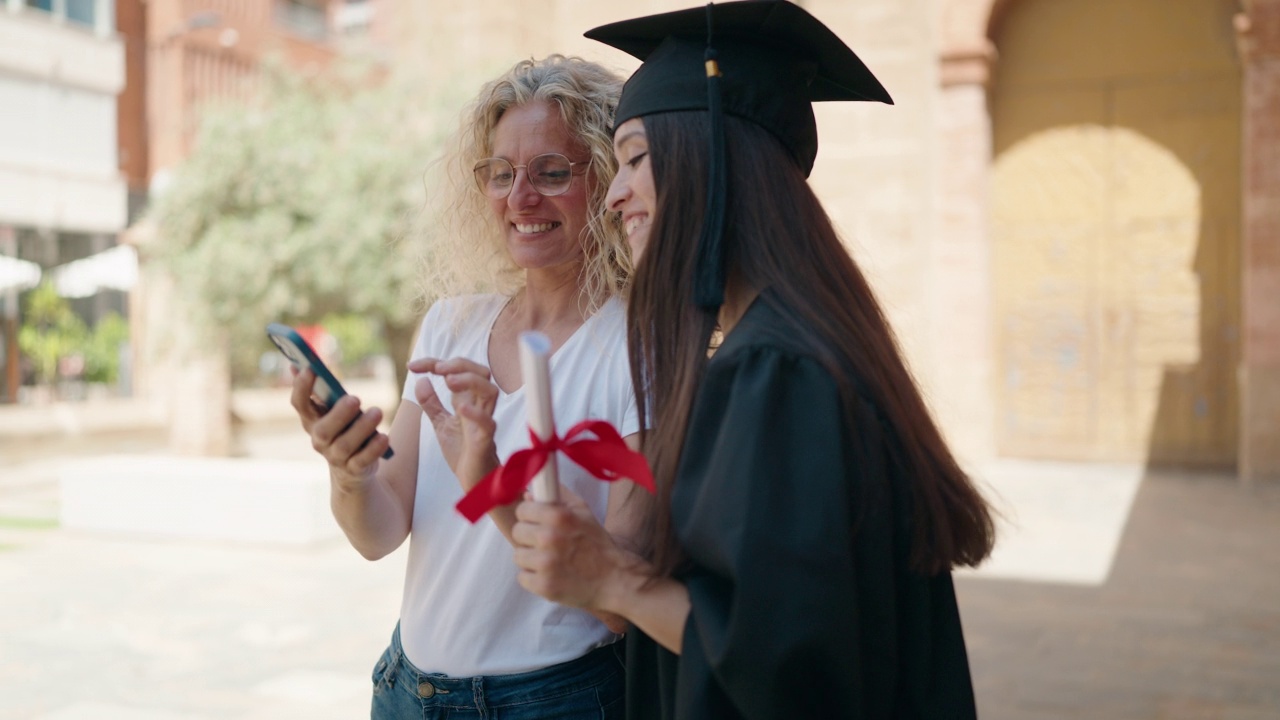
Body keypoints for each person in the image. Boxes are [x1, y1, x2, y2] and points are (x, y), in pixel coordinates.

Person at [510, 2, 997, 718]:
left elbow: (786, 669)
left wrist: (614, 581)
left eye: (637, 157)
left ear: (713, 158)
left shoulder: (778, 371)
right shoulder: (802, 345)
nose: (614, 195)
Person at [289, 55, 640, 719]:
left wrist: (491, 476)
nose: (519, 198)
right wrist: (349, 471)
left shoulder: (638, 348)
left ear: (608, 177)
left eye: (552, 172)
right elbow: (377, 534)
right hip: (406, 691)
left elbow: (623, 605)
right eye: (500, 174)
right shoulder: (451, 324)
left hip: (554, 701)